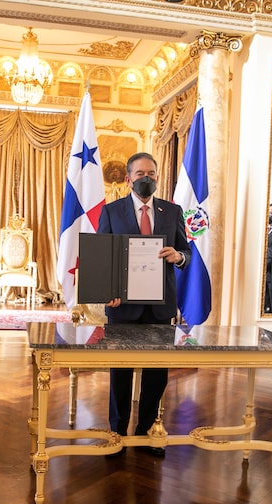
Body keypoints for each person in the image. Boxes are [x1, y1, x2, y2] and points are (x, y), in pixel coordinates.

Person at [98, 152, 191, 458]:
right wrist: (107, 291)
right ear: (128, 179)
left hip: (160, 307)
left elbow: (185, 252)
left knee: (156, 373)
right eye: (140, 174)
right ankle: (117, 431)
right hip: (123, 306)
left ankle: (146, 432)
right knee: (120, 372)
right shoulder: (112, 211)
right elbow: (103, 256)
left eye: (151, 173)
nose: (146, 178)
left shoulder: (172, 211)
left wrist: (178, 257)